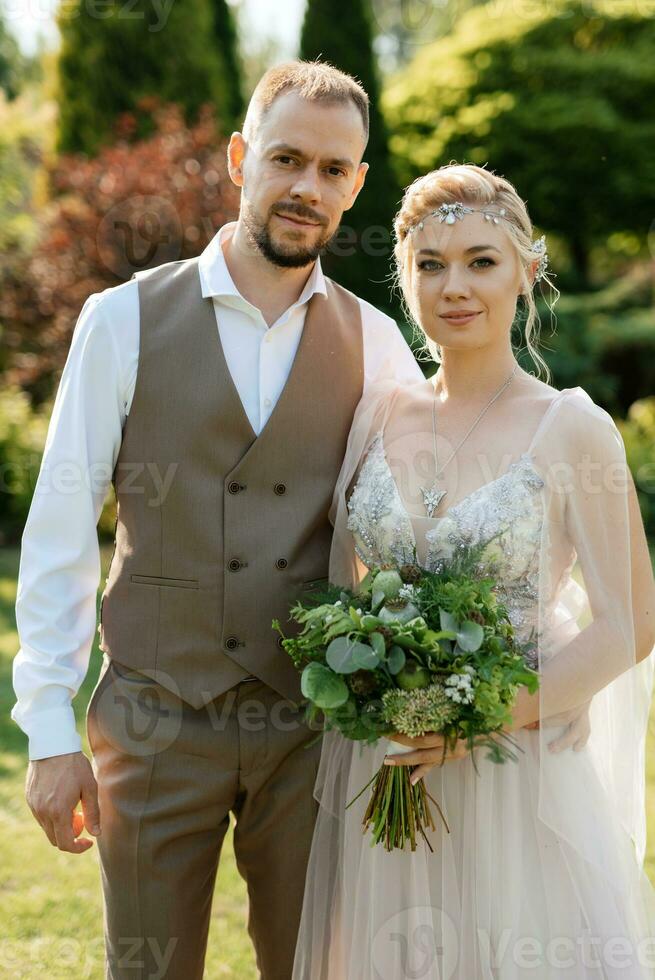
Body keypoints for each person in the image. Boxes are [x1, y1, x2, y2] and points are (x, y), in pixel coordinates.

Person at [11, 61, 427, 979]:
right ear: (241, 159)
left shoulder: (379, 346)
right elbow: (61, 525)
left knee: (312, 966)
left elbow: (413, 535)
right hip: (156, 718)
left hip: (309, 733)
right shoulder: (121, 320)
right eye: (286, 158)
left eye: (332, 170)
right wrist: (47, 729)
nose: (305, 188)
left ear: (356, 183)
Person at [293, 163, 655, 979]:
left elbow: (630, 621)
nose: (453, 286)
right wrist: (376, 688)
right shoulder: (377, 412)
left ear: (526, 271)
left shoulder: (571, 429)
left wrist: (476, 721)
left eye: (481, 261)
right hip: (385, 766)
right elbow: (348, 584)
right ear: (404, 275)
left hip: (515, 775)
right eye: (429, 264)